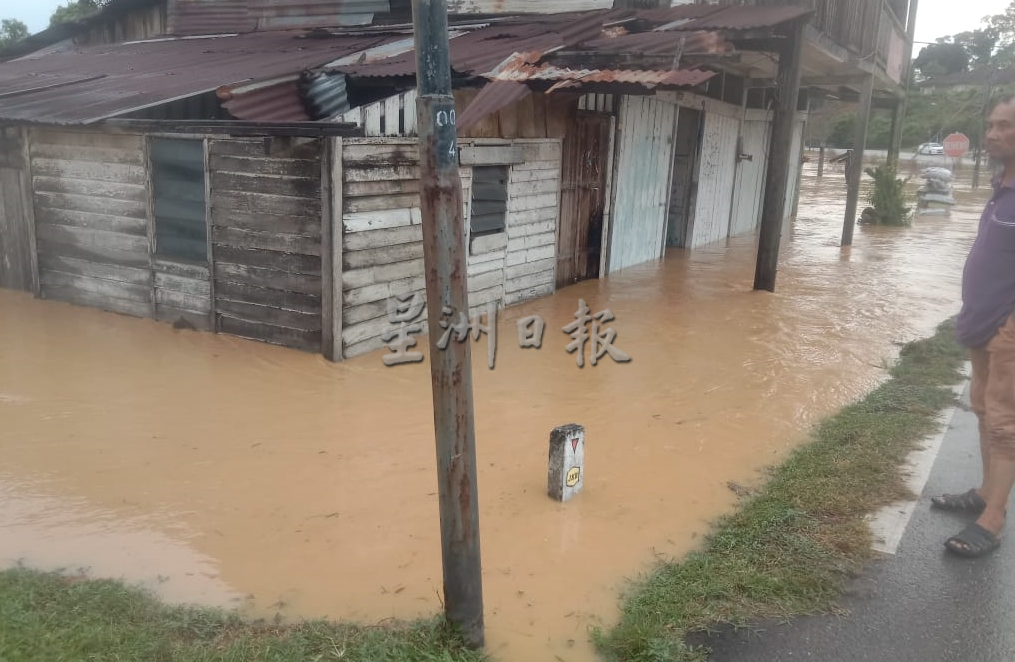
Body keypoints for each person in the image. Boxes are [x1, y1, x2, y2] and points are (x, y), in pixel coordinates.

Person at [930, 94, 1015, 558]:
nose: (994, 133)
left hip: (1008, 326)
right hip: (983, 320)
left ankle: (994, 517)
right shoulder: (1002, 183)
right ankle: (984, 492)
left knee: (1005, 421)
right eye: (992, 124)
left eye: (1006, 126)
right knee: (983, 408)